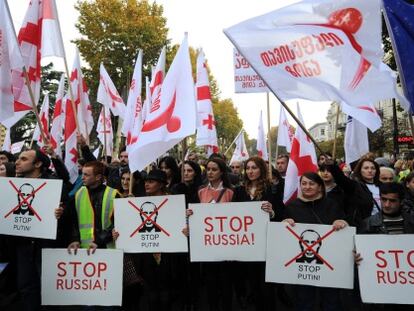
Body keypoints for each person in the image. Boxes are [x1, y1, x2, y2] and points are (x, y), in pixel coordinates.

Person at [283, 172, 348, 311]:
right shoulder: (292, 206)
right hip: (302, 266)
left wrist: (341, 222)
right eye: (304, 183)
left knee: (331, 301)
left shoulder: (332, 204)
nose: (307, 187)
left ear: (320, 187)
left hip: (330, 263)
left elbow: (344, 229)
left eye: (311, 184)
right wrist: (284, 224)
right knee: (304, 301)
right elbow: (285, 237)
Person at [12, 149, 65, 311]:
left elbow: (69, 212)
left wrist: (62, 212)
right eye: (18, 158)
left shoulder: (54, 184)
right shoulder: (12, 185)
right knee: (26, 287)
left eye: (23, 159)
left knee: (49, 289)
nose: (17, 162)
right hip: (23, 245)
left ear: (38, 164)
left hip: (46, 245)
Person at [232, 156, 284, 310]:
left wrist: (272, 212)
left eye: (254, 167)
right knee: (252, 282)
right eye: (248, 168)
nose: (250, 171)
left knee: (266, 284)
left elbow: (282, 214)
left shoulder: (271, 189)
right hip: (247, 243)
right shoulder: (240, 190)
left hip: (267, 243)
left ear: (261, 169)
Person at [186, 157, 234, 311]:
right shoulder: (200, 191)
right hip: (207, 246)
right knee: (210, 282)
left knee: (226, 282)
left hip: (227, 245)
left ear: (221, 172)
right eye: (208, 169)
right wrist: (190, 214)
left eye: (214, 169)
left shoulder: (231, 192)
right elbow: (195, 216)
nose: (210, 172)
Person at [67, 161, 120, 254]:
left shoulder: (114, 194)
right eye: (82, 174)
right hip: (84, 250)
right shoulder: (78, 194)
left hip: (108, 249)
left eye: (86, 175)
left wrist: (99, 241)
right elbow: (73, 220)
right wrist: (74, 239)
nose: (82, 177)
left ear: (98, 177)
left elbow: (118, 223)